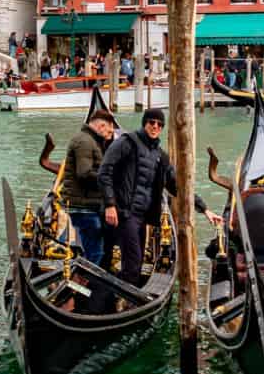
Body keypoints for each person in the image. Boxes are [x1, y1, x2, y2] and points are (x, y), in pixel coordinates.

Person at [98, 107, 179, 291]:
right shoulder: (126, 142)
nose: (155, 126)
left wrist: (203, 208)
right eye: (152, 122)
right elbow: (104, 172)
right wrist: (110, 205)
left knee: (138, 260)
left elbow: (177, 188)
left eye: (159, 124)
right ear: (144, 123)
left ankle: (121, 295)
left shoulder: (160, 155)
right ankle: (127, 302)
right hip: (123, 212)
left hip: (142, 216)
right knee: (133, 262)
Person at [59, 109, 117, 266]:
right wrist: (108, 180)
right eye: (109, 130)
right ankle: (84, 284)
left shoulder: (91, 140)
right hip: (83, 206)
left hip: (88, 204)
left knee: (95, 247)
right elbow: (84, 173)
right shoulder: (85, 141)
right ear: (101, 125)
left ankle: (87, 281)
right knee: (95, 252)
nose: (110, 134)